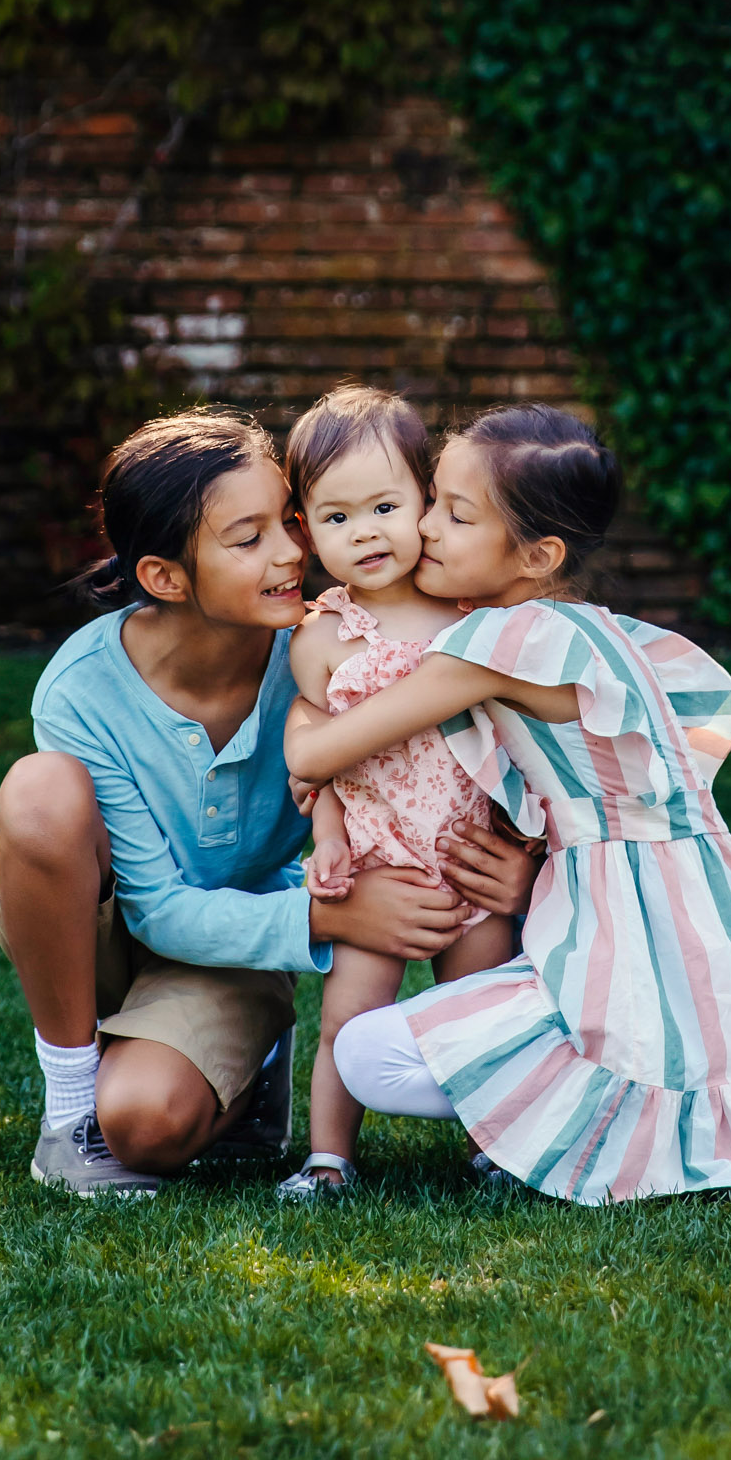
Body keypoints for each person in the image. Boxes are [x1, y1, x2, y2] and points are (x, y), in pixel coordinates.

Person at [285, 405, 731, 1205]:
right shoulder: (595, 630)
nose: (422, 529)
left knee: (366, 1051)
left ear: (537, 555)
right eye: (430, 501)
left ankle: (534, 1135)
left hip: (623, 910)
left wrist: (305, 718)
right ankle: (561, 1135)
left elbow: (314, 755)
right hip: (692, 900)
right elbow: (691, 720)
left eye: (452, 514)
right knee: (664, 1050)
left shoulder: (489, 645)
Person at [0, 406, 537, 1196]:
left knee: (145, 1127)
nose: (290, 553)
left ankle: (240, 1069)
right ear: (164, 578)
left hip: (234, 936)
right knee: (38, 790)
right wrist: (328, 917)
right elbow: (157, 911)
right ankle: (70, 1111)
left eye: (287, 521)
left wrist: (525, 867)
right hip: (93, 931)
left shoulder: (328, 651)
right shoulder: (82, 688)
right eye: (248, 540)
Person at [274, 387, 517, 1203]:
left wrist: (523, 840)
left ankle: (504, 1144)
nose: (365, 532)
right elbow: (318, 757)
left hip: (471, 852)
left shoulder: (471, 613)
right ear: (306, 532)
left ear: (426, 502)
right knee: (347, 1015)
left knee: (484, 1011)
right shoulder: (320, 635)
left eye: (384, 505)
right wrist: (333, 837)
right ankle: (327, 1159)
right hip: (382, 860)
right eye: (336, 518)